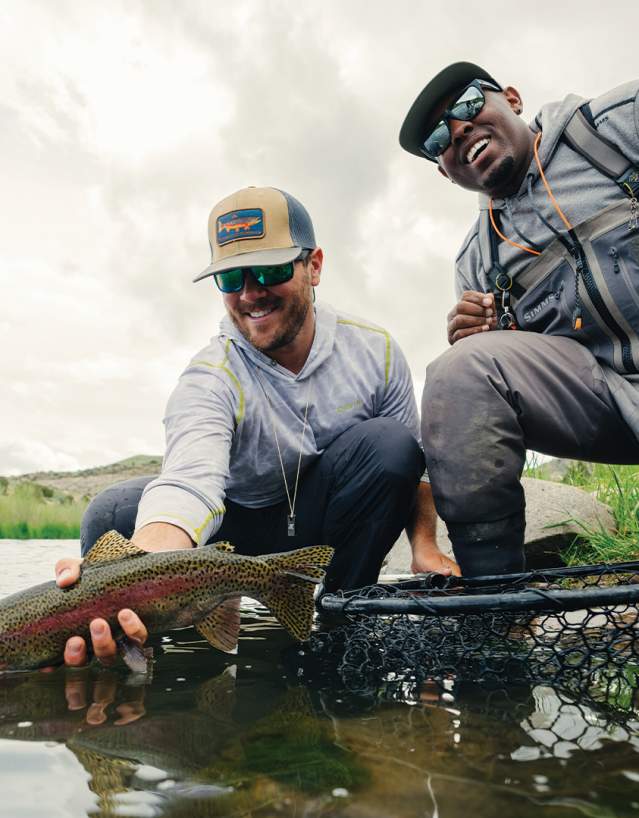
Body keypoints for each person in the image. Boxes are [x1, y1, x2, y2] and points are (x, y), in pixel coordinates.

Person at [55, 185, 458, 666]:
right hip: (232, 528)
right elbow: (188, 480)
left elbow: (414, 466)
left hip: (320, 523)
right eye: (231, 278)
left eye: (269, 270)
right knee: (112, 511)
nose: (250, 293)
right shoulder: (209, 376)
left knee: (391, 447)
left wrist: (425, 546)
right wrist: (140, 563)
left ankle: (341, 614)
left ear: (314, 266)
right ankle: (136, 644)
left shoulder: (374, 350)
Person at [399, 62, 639, 576]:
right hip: (615, 402)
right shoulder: (476, 263)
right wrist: (488, 340)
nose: (458, 128)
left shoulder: (616, 125)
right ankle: (496, 611)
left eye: (467, 104)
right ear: (444, 170)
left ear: (512, 97)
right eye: (439, 137)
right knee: (461, 368)